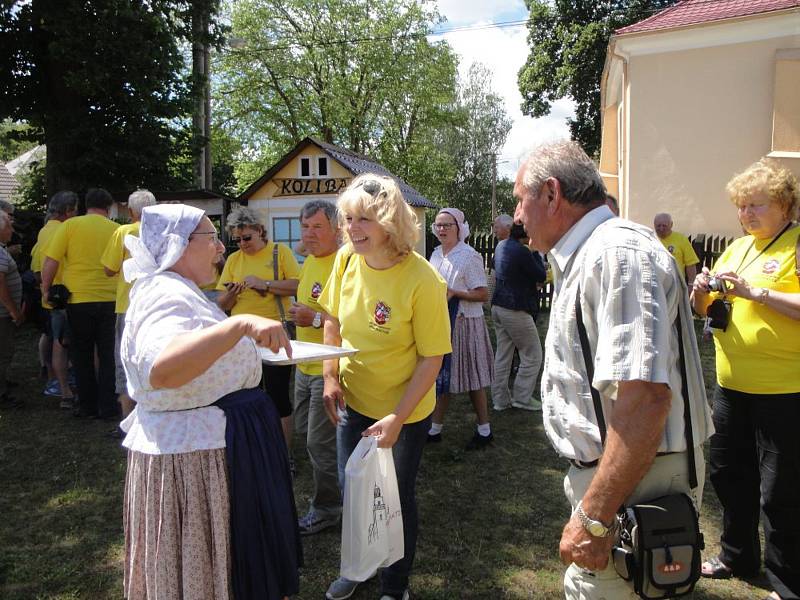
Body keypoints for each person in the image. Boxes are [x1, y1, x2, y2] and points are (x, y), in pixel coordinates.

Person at [514, 140, 713, 599]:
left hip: (638, 481)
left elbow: (644, 399)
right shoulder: (592, 254)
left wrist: (595, 515)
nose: (517, 214)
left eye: (519, 197)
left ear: (551, 194)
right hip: (627, 472)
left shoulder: (616, 255)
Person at [120, 204, 301, 600]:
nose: (221, 247)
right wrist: (240, 325)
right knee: (215, 568)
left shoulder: (176, 289)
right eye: (211, 237)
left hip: (213, 445)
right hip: (196, 458)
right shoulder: (164, 294)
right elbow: (162, 368)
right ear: (178, 246)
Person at [319, 174, 451, 600]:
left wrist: (397, 417)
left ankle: (394, 586)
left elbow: (433, 356)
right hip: (354, 403)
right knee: (353, 491)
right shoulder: (344, 260)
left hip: (406, 411)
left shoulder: (423, 279)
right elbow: (332, 320)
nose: (353, 229)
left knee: (394, 499)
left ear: (391, 223)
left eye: (364, 220)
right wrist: (329, 375)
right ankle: (357, 570)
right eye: (348, 219)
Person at [690, 158, 800, 600]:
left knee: (781, 489)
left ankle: (787, 580)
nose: (747, 214)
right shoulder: (737, 248)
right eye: (742, 206)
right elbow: (704, 311)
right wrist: (701, 293)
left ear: (785, 206)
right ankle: (737, 555)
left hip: (785, 388)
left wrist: (755, 292)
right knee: (728, 473)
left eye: (757, 205)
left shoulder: (794, 244)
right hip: (732, 385)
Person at [217, 207, 301, 450]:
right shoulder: (233, 260)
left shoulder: (279, 252)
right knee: (247, 393)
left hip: (274, 333)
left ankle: (283, 453)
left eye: (247, 238)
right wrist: (231, 295)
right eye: (237, 240)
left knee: (277, 395)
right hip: (241, 337)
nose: (242, 244)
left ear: (260, 231)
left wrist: (264, 283)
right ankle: (256, 446)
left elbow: (297, 286)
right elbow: (221, 302)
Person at [288, 200, 342, 536]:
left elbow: (351, 322)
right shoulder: (309, 260)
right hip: (302, 365)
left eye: (318, 227)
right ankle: (342, 496)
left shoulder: (345, 264)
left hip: (329, 369)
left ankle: (328, 509)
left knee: (319, 444)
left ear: (336, 228)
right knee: (309, 438)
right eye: (305, 227)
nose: (309, 234)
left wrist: (315, 317)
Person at [42, 188, 120, 419]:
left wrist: (46, 290)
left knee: (81, 354)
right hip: (110, 299)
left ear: (85, 205)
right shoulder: (117, 230)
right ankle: (108, 407)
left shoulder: (69, 226)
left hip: (78, 299)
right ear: (108, 207)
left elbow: (51, 261)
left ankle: (86, 406)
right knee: (108, 356)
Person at [427, 208, 495, 449]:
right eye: (438, 225)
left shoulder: (469, 256)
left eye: (447, 225)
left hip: (466, 323)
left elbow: (483, 293)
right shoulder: (435, 255)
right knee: (442, 374)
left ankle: (484, 430)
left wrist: (456, 293)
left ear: (459, 228)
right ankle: (435, 429)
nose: (442, 229)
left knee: (473, 377)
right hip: (442, 322)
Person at [101, 189, 157, 422]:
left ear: (131, 211)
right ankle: (154, 412)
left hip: (128, 306)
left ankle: (127, 417)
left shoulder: (123, 232)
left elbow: (109, 268)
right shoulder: (162, 231)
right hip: (156, 302)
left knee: (125, 359)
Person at [490, 222, 547, 412]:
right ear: (527, 234)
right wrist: (535, 252)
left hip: (498, 306)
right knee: (533, 355)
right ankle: (522, 398)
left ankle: (500, 400)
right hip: (515, 308)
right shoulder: (523, 251)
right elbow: (540, 274)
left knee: (503, 355)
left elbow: (508, 273)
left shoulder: (501, 246)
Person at [30, 191, 78, 408]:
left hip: (50, 297)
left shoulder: (44, 231)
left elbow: (38, 268)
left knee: (57, 341)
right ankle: (67, 388)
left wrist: (45, 289)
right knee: (67, 344)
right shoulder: (67, 230)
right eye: (75, 210)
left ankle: (58, 384)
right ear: (68, 211)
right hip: (68, 294)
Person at [0, 210, 23, 408]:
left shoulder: (2, 249)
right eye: (9, 225)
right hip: (2, 314)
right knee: (3, 351)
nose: (12, 230)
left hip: (3, 313)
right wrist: (13, 310)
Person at [654, 212, 700, 285]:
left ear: (671, 224)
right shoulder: (650, 239)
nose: (661, 228)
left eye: (664, 226)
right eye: (658, 226)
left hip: (676, 284)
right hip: (656, 284)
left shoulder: (681, 239)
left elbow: (690, 264)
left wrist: (691, 284)